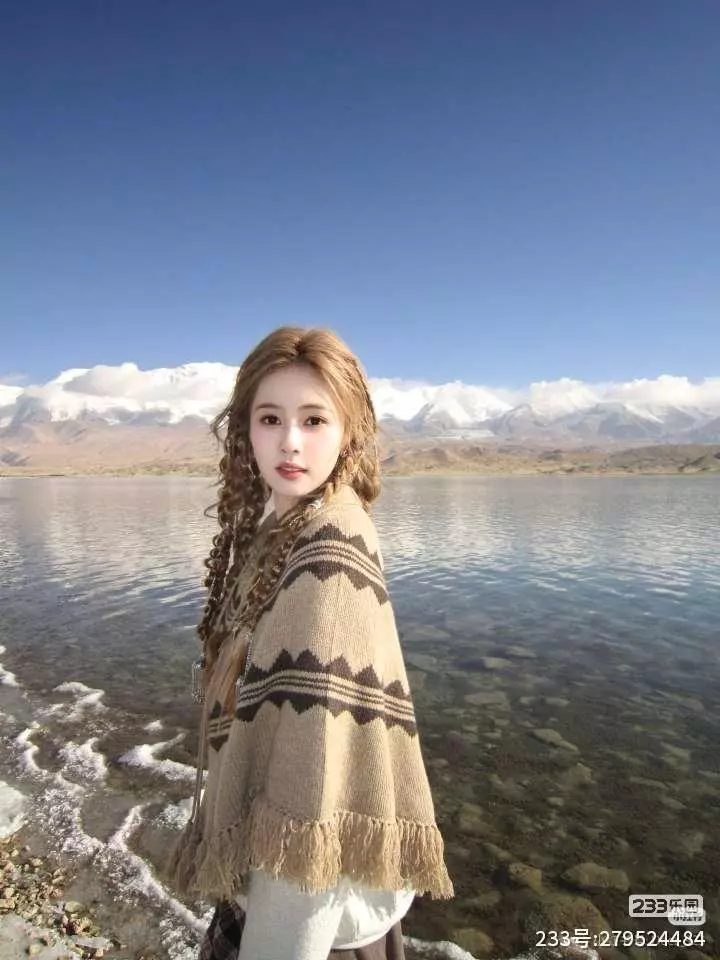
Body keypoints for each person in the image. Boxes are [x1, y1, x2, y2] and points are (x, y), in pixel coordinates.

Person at [167, 326, 453, 960]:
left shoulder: (328, 555)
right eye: (271, 418)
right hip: (286, 900)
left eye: (315, 419)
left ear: (349, 431)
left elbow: (311, 796)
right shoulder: (282, 525)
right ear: (246, 430)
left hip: (315, 924)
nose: (290, 442)